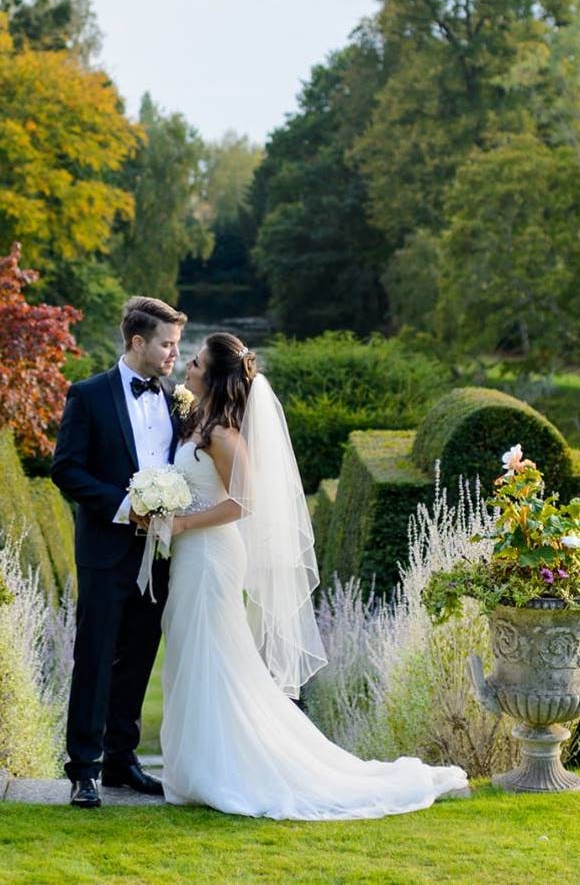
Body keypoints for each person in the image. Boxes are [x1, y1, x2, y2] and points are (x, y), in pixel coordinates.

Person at [158, 331, 469, 819]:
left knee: (214, 655)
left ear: (215, 378)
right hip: (190, 556)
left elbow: (245, 502)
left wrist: (182, 523)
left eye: (195, 364)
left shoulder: (222, 435)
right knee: (192, 651)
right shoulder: (198, 423)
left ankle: (223, 767)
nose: (187, 370)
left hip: (212, 555)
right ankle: (199, 764)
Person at [49, 295, 185, 808]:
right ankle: (84, 769)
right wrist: (127, 505)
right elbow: (66, 469)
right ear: (137, 342)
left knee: (137, 660)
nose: (174, 353)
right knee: (95, 659)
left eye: (175, 345)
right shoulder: (87, 396)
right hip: (106, 551)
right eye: (166, 344)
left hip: (160, 554)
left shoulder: (175, 398)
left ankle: (122, 762)